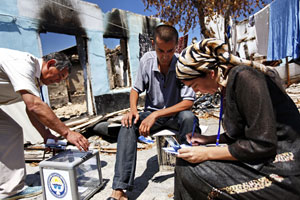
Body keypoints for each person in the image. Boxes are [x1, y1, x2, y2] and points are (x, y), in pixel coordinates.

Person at [174, 38, 300, 199]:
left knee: (190, 170)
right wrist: (207, 139)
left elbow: (262, 144)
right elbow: (246, 134)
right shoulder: (228, 84)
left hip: (284, 171)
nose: (197, 93)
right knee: (184, 162)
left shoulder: (246, 78)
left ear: (211, 73)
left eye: (195, 86)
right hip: (263, 161)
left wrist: (208, 153)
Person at [107, 24, 201, 200]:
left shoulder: (182, 64)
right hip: (151, 114)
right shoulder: (146, 60)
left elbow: (188, 102)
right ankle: (119, 190)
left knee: (189, 118)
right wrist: (133, 111)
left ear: (177, 46)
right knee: (127, 125)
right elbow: (135, 90)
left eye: (170, 51)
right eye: (161, 50)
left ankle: (191, 177)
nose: (165, 56)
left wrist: (156, 114)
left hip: (175, 115)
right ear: (153, 44)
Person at [0, 48, 90, 199]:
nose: (58, 82)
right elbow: (34, 105)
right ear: (51, 64)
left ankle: (11, 190)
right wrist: (67, 133)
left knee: (11, 131)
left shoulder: (35, 81)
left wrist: (46, 134)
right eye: (60, 76)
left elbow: (32, 111)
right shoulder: (23, 64)